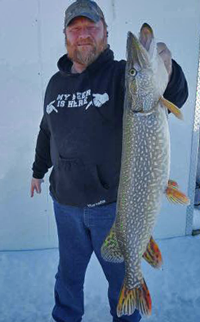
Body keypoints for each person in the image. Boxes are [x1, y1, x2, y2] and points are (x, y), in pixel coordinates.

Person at [30, 1, 188, 321]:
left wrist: (168, 72)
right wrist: (37, 171)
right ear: (66, 36)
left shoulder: (119, 75)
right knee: (68, 279)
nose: (83, 35)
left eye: (91, 27)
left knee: (121, 280)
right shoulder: (55, 84)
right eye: (76, 29)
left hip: (113, 209)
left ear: (105, 32)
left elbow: (174, 94)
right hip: (65, 205)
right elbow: (47, 131)